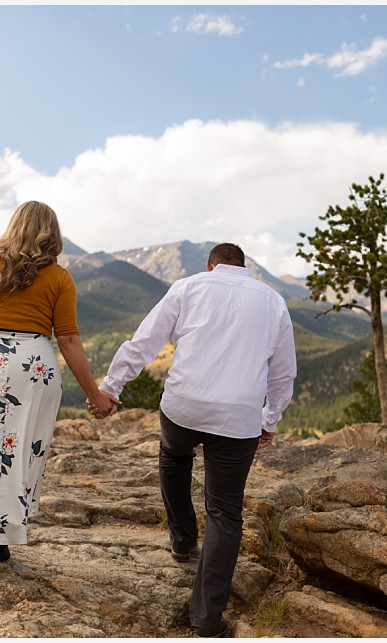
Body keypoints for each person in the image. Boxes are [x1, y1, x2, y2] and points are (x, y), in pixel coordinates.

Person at [94, 242, 296, 637]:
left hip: (184, 407)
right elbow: (283, 372)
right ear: (245, 267)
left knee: (174, 455)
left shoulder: (188, 287)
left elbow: (144, 342)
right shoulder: (273, 302)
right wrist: (269, 419)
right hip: (239, 417)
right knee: (224, 511)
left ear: (211, 266)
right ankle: (206, 617)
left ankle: (182, 538)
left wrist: (111, 388)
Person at [0, 200, 118, 598]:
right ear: (52, 234)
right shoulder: (60, 278)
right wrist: (94, 393)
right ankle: (2, 534)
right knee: (22, 450)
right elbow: (69, 340)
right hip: (34, 368)